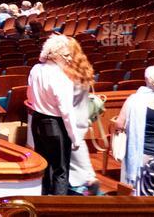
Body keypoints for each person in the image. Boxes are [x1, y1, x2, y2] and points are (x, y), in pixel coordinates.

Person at [27, 34, 80, 195]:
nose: (70, 58)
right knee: (60, 170)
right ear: (54, 54)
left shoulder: (35, 69)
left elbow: (29, 96)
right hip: (55, 125)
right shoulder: (61, 77)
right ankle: (59, 205)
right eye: (66, 55)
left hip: (37, 121)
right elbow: (66, 111)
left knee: (43, 165)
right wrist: (75, 137)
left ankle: (42, 200)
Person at [62, 38, 99, 195]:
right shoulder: (82, 70)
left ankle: (88, 180)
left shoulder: (67, 75)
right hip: (82, 116)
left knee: (75, 151)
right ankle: (87, 179)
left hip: (71, 118)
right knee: (77, 150)